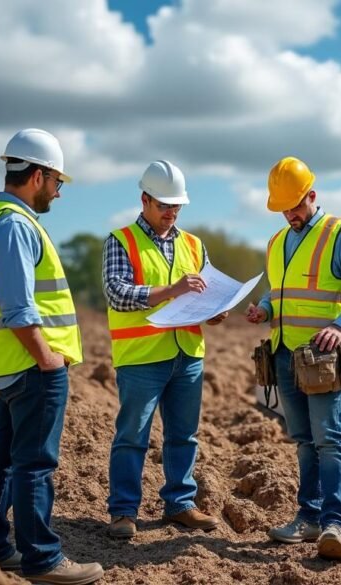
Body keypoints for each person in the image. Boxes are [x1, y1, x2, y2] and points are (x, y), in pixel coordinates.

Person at [0, 128, 104, 584]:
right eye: (58, 182)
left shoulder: (5, 219)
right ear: (40, 175)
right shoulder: (13, 225)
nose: (60, 192)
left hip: (14, 366)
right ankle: (42, 559)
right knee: (34, 463)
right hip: (31, 366)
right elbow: (18, 307)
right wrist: (47, 358)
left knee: (6, 456)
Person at [245, 156, 341, 560]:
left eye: (296, 206)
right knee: (304, 440)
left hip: (323, 358)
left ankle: (336, 524)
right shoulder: (277, 242)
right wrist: (264, 309)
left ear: (312, 196)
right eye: (284, 209)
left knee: (330, 439)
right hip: (285, 354)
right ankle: (309, 517)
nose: (291, 215)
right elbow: (279, 292)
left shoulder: (339, 234)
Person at [104, 160, 226, 539]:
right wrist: (172, 290)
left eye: (177, 207)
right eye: (164, 206)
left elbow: (206, 289)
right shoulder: (120, 240)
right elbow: (117, 292)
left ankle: (180, 503)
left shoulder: (193, 244)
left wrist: (214, 311)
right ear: (144, 199)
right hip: (141, 358)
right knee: (132, 436)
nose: (171, 213)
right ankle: (123, 511)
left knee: (183, 435)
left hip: (187, 355)